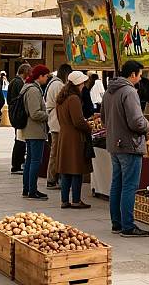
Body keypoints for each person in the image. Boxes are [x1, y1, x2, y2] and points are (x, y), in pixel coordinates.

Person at [101, 60, 149, 237]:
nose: (140, 78)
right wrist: (148, 124)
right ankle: (128, 226)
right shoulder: (129, 91)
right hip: (129, 145)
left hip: (114, 144)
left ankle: (117, 223)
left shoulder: (109, 91)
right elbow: (137, 122)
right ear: (132, 74)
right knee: (129, 186)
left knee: (117, 184)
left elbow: (103, 118)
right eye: (140, 75)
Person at [56, 71, 93, 209]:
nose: (84, 85)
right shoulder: (74, 99)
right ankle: (76, 200)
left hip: (64, 136)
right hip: (75, 138)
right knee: (77, 170)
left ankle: (64, 200)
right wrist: (88, 127)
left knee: (66, 170)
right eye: (83, 83)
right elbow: (78, 121)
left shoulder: (62, 98)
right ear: (78, 83)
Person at [19, 64, 51, 200]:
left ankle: (28, 189)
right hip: (35, 130)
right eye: (46, 76)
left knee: (31, 160)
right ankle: (32, 190)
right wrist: (48, 114)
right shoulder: (33, 90)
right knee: (35, 161)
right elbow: (35, 113)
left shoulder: (31, 88)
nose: (47, 79)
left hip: (31, 130)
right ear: (41, 76)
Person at [44, 63, 72, 189]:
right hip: (57, 123)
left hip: (55, 122)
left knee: (55, 152)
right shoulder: (58, 85)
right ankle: (51, 179)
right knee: (55, 153)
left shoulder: (54, 83)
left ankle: (54, 178)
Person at [8, 63, 32, 174]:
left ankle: (18, 163)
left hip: (14, 114)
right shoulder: (18, 82)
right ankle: (16, 165)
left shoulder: (14, 81)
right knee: (19, 140)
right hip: (18, 115)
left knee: (19, 139)